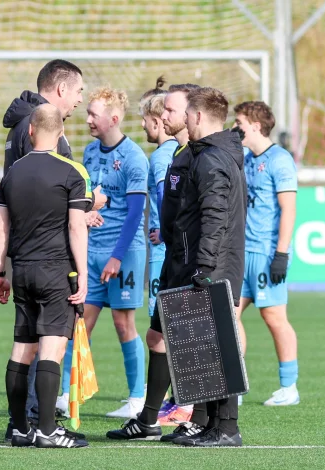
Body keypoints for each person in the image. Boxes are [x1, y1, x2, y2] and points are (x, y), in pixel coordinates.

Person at [106, 85, 247, 447]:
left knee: (214, 343)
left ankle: (223, 428)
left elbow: (215, 217)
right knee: (196, 342)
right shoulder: (198, 154)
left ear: (196, 116)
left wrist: (202, 265)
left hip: (205, 264)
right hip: (185, 261)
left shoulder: (212, 158)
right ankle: (206, 424)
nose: (173, 117)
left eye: (177, 111)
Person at [1, 60, 104, 441]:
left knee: (25, 343)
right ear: (61, 90)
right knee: (49, 344)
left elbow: (19, 202)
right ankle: (39, 424)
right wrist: (85, 208)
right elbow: (50, 195)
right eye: (78, 92)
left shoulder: (20, 125)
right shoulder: (45, 131)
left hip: (24, 256)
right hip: (51, 258)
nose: (79, 101)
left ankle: (23, 424)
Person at [57, 86, 149, 419]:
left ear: (113, 118)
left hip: (123, 253)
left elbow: (135, 213)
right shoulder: (91, 152)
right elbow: (85, 197)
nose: (88, 119)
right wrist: (85, 212)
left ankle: (137, 398)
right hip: (91, 251)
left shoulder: (136, 158)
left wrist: (116, 256)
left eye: (93, 114)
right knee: (80, 322)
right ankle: (68, 393)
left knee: (124, 324)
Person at [234, 101, 299, 406]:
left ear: (256, 126)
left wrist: (281, 255)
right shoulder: (245, 158)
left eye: (240, 123)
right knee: (229, 316)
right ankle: (236, 383)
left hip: (265, 251)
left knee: (274, 317)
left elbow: (288, 209)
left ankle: (289, 386)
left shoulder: (280, 160)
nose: (236, 128)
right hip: (240, 253)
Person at [140, 88, 193, 426]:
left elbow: (165, 200)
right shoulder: (174, 152)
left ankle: (182, 403)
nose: (143, 126)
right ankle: (177, 401)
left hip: (166, 255)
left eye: (145, 119)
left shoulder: (163, 157)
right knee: (163, 332)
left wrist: (165, 230)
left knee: (166, 331)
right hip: (168, 250)